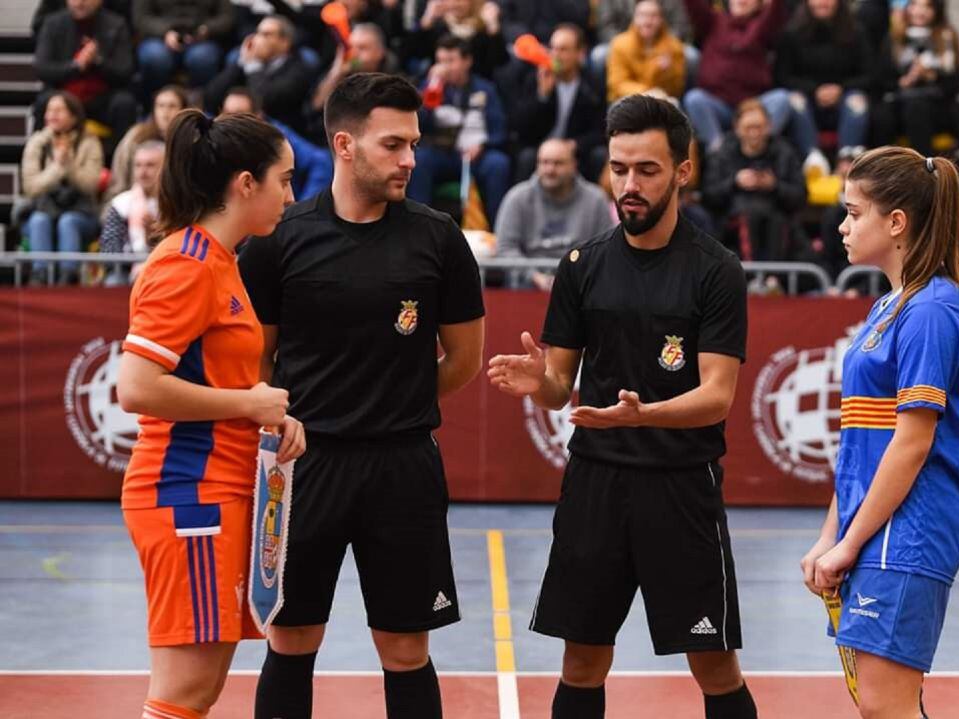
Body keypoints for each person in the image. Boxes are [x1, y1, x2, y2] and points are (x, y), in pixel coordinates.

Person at [489, 94, 757, 719]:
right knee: (581, 661)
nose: (629, 185)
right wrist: (542, 382)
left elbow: (717, 396)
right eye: (618, 169)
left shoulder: (716, 271)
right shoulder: (582, 265)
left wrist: (644, 416)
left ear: (683, 171)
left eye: (647, 170)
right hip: (596, 485)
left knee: (714, 665)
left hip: (681, 488)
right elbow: (561, 384)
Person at [238, 72, 485, 719]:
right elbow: (254, 360)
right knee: (290, 639)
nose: (410, 159)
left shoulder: (438, 239)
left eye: (413, 144)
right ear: (344, 145)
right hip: (303, 466)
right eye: (393, 144)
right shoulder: (278, 240)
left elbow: (463, 359)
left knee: (405, 647)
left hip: (402, 467)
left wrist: (393, 400)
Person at [116, 108, 303, 719]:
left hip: (215, 489)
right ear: (245, 184)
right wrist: (247, 402)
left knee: (196, 690)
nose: (290, 195)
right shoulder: (187, 263)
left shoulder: (221, 260)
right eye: (284, 179)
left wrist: (266, 415)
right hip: (187, 494)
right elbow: (137, 387)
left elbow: (216, 375)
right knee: (183, 693)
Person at [800, 146, 959, 719]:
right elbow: (863, 440)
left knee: (886, 707)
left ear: (896, 223)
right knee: (885, 706)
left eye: (855, 213)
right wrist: (831, 535)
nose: (843, 225)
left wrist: (851, 542)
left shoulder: (931, 312)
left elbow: (912, 443)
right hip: (874, 531)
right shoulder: (887, 306)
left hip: (908, 535)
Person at [408, 34, 512, 226]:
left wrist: (483, 145)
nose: (444, 67)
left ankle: (499, 228)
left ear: (467, 61)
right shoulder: (428, 87)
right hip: (442, 153)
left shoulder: (485, 89)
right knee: (418, 161)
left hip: (477, 154)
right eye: (440, 61)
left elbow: (499, 128)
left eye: (451, 61)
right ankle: (417, 226)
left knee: (498, 164)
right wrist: (431, 91)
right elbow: (416, 125)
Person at [495, 137, 614, 290]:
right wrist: (534, 277)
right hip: (526, 289)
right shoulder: (516, 198)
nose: (550, 169)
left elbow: (605, 250)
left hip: (580, 288)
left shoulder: (596, 199)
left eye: (558, 163)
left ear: (573, 165)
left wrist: (575, 279)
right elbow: (505, 248)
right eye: (544, 162)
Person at [774, 0, 873, 176]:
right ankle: (812, 158)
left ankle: (847, 160)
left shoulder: (856, 31)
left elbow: (870, 75)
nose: (823, 2)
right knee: (793, 99)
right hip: (807, 103)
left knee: (858, 101)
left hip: (844, 99)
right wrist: (814, 90)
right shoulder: (791, 33)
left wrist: (840, 89)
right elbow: (782, 77)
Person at [702, 99, 806, 263]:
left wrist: (774, 186)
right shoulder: (723, 153)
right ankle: (750, 277)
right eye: (748, 128)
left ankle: (773, 279)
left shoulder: (784, 152)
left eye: (759, 127)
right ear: (737, 128)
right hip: (732, 227)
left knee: (779, 223)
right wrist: (735, 182)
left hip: (778, 224)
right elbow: (708, 196)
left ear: (769, 127)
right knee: (747, 215)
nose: (754, 133)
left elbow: (800, 196)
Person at [682, 0, 789, 155]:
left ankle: (762, 148)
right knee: (694, 99)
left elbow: (776, 12)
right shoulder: (714, 20)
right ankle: (718, 150)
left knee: (782, 99)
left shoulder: (762, 25)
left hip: (752, 105)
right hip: (718, 105)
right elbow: (695, 6)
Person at [21, 91, 103, 285]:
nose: (52, 115)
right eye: (49, 110)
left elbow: (91, 185)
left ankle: (68, 277)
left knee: (68, 221)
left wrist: (69, 166)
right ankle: (39, 276)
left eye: (59, 110)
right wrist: (57, 168)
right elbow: (30, 187)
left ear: (74, 116)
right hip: (44, 209)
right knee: (39, 220)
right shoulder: (36, 143)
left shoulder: (90, 143)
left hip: (81, 212)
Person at [507, 23, 606, 183]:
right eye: (553, 48)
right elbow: (521, 129)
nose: (556, 55)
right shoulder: (535, 78)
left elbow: (599, 130)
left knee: (598, 155)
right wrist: (542, 97)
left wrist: (574, 145)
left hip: (575, 150)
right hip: (541, 149)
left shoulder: (592, 84)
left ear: (580, 53)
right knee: (526, 157)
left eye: (563, 49)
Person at [33, 0, 137, 148]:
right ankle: (38, 159)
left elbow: (125, 70)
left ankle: (118, 162)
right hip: (65, 94)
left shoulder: (116, 24)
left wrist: (98, 61)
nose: (80, 2)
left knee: (125, 103)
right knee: (44, 102)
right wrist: (75, 66)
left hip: (103, 98)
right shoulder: (52, 23)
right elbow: (42, 68)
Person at [874, 0, 959, 156]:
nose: (920, 11)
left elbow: (954, 84)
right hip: (900, 102)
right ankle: (882, 169)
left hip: (936, 106)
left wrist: (930, 76)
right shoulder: (894, 37)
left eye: (927, 6)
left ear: (937, 10)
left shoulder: (946, 37)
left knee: (916, 108)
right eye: (915, 4)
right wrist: (904, 81)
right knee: (882, 115)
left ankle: (923, 168)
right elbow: (882, 79)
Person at [203, 15, 312, 135]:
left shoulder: (298, 69)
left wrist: (253, 65)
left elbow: (266, 102)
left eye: (266, 34)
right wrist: (240, 63)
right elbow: (211, 97)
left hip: (282, 134)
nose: (257, 39)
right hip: (237, 130)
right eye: (257, 33)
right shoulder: (245, 63)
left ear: (284, 42)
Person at [220, 87, 332, 201]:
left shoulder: (276, 136)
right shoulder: (218, 138)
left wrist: (304, 208)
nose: (231, 122)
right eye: (226, 114)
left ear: (258, 116)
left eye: (239, 115)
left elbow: (320, 162)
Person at [106, 85, 189, 203]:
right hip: (133, 200)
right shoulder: (137, 135)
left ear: (183, 110)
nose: (165, 112)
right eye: (160, 106)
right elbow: (120, 174)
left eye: (172, 106)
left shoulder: (191, 141)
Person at [133, 0, 234, 96]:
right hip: (159, 37)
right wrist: (164, 32)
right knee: (155, 57)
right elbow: (141, 18)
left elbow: (227, 17)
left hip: (203, 38)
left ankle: (202, 103)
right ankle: (155, 102)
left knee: (202, 58)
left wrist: (207, 29)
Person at [99, 139, 164, 284]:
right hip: (126, 274)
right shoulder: (120, 204)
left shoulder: (178, 204)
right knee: (113, 282)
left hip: (166, 271)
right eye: (138, 165)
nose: (143, 171)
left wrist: (156, 236)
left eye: (150, 165)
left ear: (165, 168)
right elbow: (109, 252)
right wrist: (136, 260)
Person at [606, 0, 687, 104]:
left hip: (662, 100)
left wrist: (668, 72)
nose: (647, 21)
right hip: (630, 99)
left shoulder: (673, 46)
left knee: (674, 104)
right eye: (642, 15)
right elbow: (617, 85)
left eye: (653, 16)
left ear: (661, 19)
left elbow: (677, 89)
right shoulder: (619, 45)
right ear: (634, 18)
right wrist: (647, 92)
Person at [405, 0, 509, 80]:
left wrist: (493, 26)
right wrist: (426, 20)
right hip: (442, 85)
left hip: (477, 88)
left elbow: (500, 60)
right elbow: (413, 53)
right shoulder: (439, 26)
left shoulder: (483, 28)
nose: (454, 4)